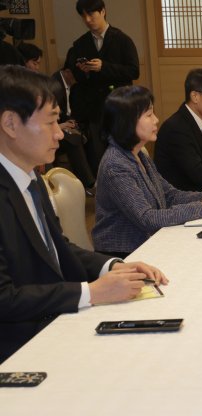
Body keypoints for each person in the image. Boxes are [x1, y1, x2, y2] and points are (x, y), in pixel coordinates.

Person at [0, 65, 167, 363]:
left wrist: (113, 266)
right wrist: (91, 292)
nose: (59, 134)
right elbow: (4, 298)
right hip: (21, 350)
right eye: (51, 122)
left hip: (56, 323)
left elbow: (58, 247)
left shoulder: (30, 177)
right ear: (11, 124)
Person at [92, 85, 202, 258]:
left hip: (147, 243)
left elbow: (168, 195)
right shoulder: (115, 165)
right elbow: (147, 219)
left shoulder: (139, 154)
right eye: (149, 115)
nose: (156, 120)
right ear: (127, 122)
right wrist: (201, 209)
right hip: (124, 255)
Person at [66, 0, 139, 176]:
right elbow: (74, 75)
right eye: (83, 16)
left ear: (103, 11)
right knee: (98, 154)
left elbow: (134, 71)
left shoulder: (122, 39)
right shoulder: (81, 43)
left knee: (122, 148)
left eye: (91, 14)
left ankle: (127, 182)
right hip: (93, 107)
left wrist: (104, 67)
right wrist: (84, 71)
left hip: (118, 105)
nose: (87, 19)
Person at [51, 51, 96, 191]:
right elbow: (49, 118)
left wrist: (70, 122)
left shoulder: (69, 84)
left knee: (87, 133)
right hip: (53, 129)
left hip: (62, 124)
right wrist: (62, 125)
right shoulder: (54, 85)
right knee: (73, 139)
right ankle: (89, 183)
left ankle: (89, 179)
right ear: (68, 72)